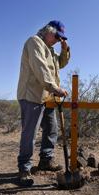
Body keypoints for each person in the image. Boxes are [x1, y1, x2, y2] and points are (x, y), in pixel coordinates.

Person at [16, 20, 70, 186]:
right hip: (32, 95)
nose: (57, 40)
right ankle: (24, 169)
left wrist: (65, 50)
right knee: (30, 133)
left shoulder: (51, 50)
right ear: (48, 31)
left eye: (60, 38)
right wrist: (54, 88)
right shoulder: (34, 42)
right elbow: (40, 68)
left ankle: (46, 160)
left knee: (51, 129)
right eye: (56, 36)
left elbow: (60, 64)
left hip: (47, 96)